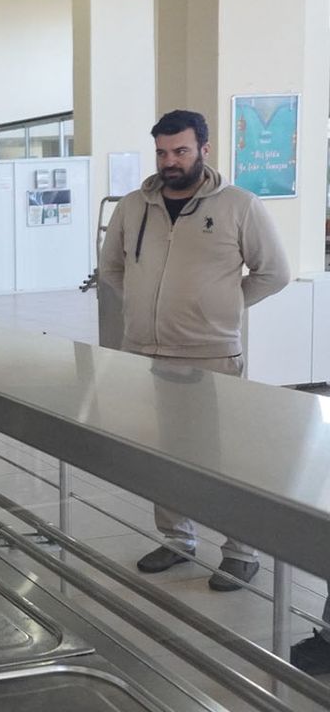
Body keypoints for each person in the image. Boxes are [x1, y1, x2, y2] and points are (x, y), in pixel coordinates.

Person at [98, 109, 290, 592]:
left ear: (204, 149)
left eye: (181, 151)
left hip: (211, 353)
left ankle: (241, 552)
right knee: (161, 453)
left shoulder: (239, 205)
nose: (170, 161)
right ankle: (177, 539)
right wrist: (143, 307)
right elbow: (112, 269)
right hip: (144, 352)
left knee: (223, 459)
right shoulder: (133, 206)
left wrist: (221, 307)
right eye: (162, 152)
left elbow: (274, 272)